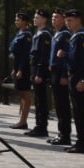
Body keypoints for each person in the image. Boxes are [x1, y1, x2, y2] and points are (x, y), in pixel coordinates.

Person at [65, 8, 84, 155]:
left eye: (70, 20)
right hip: (73, 76)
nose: (67, 23)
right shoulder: (75, 36)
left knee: (81, 111)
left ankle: (83, 143)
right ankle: (79, 141)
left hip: (79, 77)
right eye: (66, 20)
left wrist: (82, 79)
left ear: (78, 20)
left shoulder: (83, 37)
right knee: (76, 111)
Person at [26, 9, 52, 138]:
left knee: (41, 100)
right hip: (34, 68)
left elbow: (44, 55)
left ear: (44, 20)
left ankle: (42, 127)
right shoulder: (38, 33)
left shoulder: (45, 34)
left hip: (39, 70)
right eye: (34, 17)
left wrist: (40, 73)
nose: (34, 19)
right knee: (37, 100)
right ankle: (38, 125)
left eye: (37, 17)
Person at [48, 8, 73, 147]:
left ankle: (65, 135)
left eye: (56, 17)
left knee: (63, 105)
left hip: (60, 73)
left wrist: (64, 75)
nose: (54, 19)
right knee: (58, 104)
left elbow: (66, 56)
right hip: (54, 72)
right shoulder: (56, 34)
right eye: (53, 17)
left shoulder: (65, 34)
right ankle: (60, 133)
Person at [9, 12, 33, 129]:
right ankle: (22, 120)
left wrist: (21, 69)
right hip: (18, 65)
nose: (16, 21)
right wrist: (15, 68)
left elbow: (25, 54)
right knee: (21, 93)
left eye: (18, 20)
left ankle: (23, 121)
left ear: (24, 21)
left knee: (25, 93)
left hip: (24, 67)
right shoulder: (20, 33)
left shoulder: (27, 35)